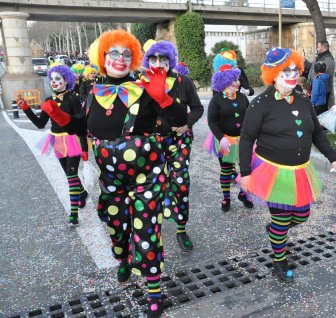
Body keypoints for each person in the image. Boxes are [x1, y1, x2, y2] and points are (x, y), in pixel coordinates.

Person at [40, 29, 179, 317]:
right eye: (113, 53)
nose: (120, 58)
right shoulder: (93, 93)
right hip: (111, 178)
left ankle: (154, 289)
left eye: (126, 53)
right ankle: (124, 260)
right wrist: (60, 117)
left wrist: (163, 99)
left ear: (134, 58)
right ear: (102, 58)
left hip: (147, 177)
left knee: (148, 231)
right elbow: (83, 127)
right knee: (117, 228)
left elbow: (178, 120)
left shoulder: (144, 88)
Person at [239, 47, 336, 282]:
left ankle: (276, 232)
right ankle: (279, 261)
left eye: (295, 69)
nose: (293, 74)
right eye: (286, 70)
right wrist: (245, 172)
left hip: (300, 171)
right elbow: (246, 139)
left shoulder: (303, 100)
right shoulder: (260, 103)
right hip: (272, 171)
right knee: (282, 218)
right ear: (274, 74)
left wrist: (333, 157)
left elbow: (317, 132)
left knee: (302, 215)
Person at [142, 40, 204, 252]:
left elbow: (197, 108)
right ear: (147, 61)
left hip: (179, 141)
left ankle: (181, 228)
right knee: (152, 186)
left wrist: (187, 124)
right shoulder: (141, 83)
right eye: (154, 59)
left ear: (171, 60)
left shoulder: (183, 81)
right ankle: (151, 227)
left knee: (181, 183)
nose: (159, 63)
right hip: (152, 142)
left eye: (163, 59)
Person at [16, 64, 88, 226]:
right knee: (71, 176)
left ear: (66, 80)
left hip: (72, 140)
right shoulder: (48, 101)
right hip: (56, 141)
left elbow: (81, 125)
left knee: (71, 177)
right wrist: (26, 109)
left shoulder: (73, 98)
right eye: (52, 79)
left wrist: (84, 148)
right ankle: (82, 194)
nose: (54, 82)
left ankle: (73, 214)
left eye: (58, 79)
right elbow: (41, 124)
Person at [206, 52, 253, 212]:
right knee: (226, 171)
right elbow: (212, 121)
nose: (238, 83)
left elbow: (249, 119)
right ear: (225, 81)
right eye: (235, 80)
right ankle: (226, 198)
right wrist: (220, 138)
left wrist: (254, 136)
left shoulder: (242, 98)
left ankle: (243, 194)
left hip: (243, 141)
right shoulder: (216, 100)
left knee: (247, 169)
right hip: (225, 140)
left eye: (237, 80)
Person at [307, 41, 335, 108]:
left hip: (321, 91)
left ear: (323, 47)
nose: (317, 48)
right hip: (316, 88)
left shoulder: (328, 59)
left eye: (318, 47)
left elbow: (325, 75)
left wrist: (315, 81)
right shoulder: (321, 57)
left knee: (320, 111)